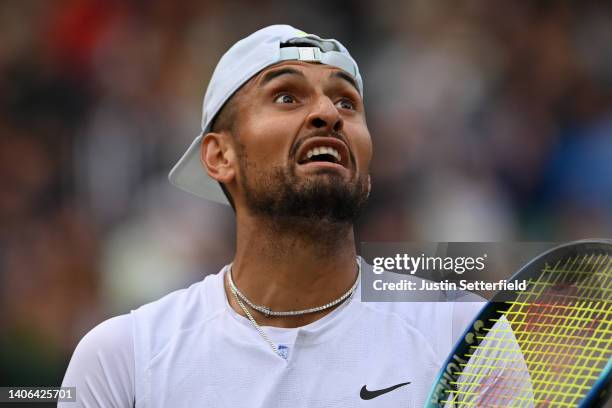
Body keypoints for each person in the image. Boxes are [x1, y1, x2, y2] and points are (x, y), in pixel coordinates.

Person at [60, 25, 483, 407]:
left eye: (347, 103)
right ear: (220, 156)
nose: (329, 114)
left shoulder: (465, 335)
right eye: (286, 97)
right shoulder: (121, 359)